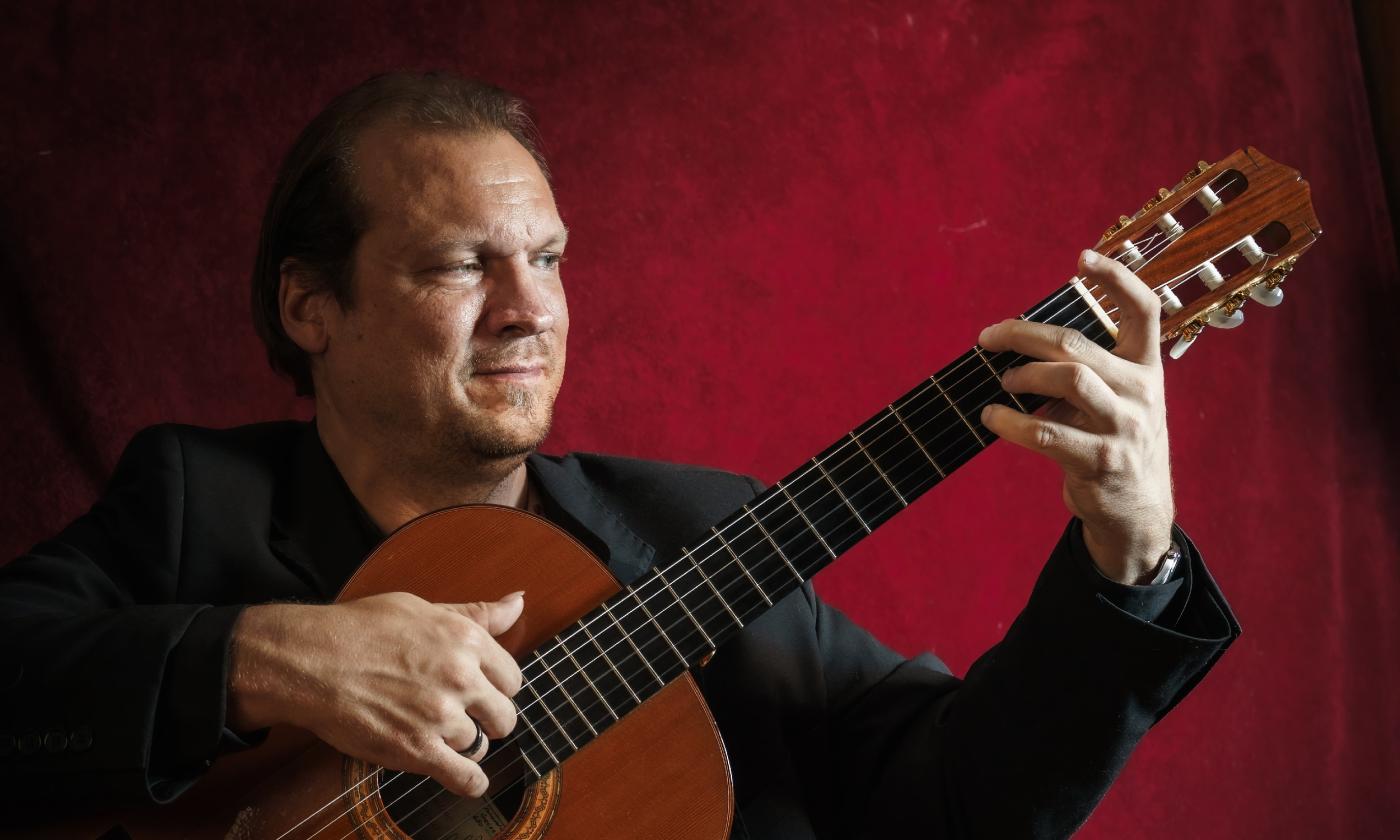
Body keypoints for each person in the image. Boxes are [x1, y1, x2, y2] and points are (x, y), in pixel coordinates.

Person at [0, 72, 1239, 838]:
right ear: (310, 307)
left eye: (544, 257)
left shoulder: (703, 538)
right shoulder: (189, 502)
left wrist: (1127, 561)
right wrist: (269, 658)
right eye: (458, 263)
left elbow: (964, 805)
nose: (529, 307)